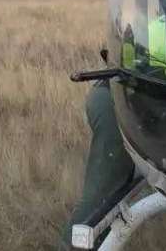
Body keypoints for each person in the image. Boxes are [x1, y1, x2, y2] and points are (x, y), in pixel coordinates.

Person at [61, 76, 135, 249]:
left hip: (132, 99)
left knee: (122, 187)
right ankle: (74, 246)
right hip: (115, 100)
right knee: (102, 192)